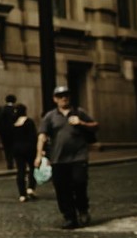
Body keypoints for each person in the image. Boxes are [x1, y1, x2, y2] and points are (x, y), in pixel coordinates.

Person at [36, 85, 99, 230]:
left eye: (66, 95)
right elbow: (42, 136)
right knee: (62, 189)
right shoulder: (50, 116)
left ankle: (83, 210)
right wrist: (38, 155)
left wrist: (81, 123)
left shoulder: (79, 112)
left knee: (79, 183)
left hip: (79, 157)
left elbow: (96, 126)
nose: (63, 98)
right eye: (60, 96)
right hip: (58, 159)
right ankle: (69, 217)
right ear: (55, 99)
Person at [10, 103, 38, 203]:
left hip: (17, 149)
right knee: (32, 169)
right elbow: (33, 137)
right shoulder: (29, 122)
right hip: (29, 148)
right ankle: (31, 187)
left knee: (20, 171)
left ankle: (22, 194)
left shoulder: (13, 123)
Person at [0, 94, 18, 169]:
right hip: (14, 132)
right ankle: (15, 161)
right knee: (14, 147)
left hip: (4, 133)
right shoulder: (16, 109)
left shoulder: (2, 109)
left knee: (7, 148)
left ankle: (9, 162)